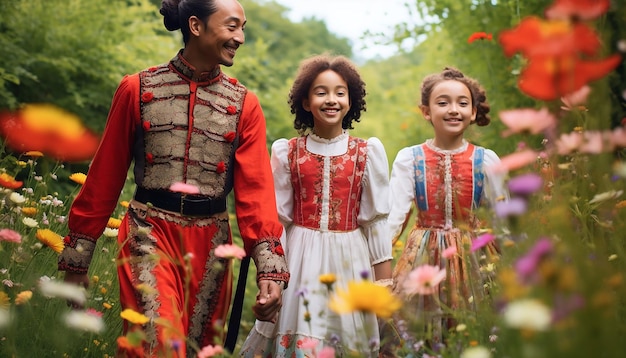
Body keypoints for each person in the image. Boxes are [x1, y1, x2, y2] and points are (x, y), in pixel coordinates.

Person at [57, 0, 289, 356]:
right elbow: (104, 177)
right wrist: (77, 260)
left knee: (198, 350)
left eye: (243, 27)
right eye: (232, 26)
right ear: (196, 26)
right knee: (158, 344)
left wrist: (269, 272)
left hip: (213, 247)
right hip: (148, 234)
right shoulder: (136, 89)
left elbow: (256, 194)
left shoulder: (246, 105)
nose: (240, 37)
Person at [239, 54, 393, 357]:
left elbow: (375, 222)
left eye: (340, 92)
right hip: (299, 260)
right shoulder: (287, 152)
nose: (331, 99)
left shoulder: (367, 152)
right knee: (301, 333)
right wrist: (272, 277)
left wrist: (383, 283)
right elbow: (278, 221)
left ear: (351, 101)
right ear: (306, 102)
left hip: (351, 261)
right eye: (321, 92)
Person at [381, 67, 507, 355]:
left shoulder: (486, 161)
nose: (454, 110)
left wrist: (510, 269)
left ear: (474, 112)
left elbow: (503, 221)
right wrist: (381, 270)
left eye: (462, 103)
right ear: (426, 111)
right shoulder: (409, 159)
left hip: (472, 257)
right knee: (419, 331)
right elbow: (394, 219)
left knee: (474, 331)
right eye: (443, 102)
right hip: (423, 257)